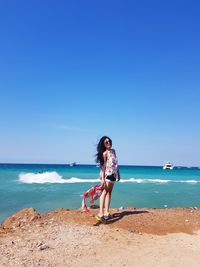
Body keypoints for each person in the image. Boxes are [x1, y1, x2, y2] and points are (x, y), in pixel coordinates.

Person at [95, 136, 121, 221]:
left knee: (109, 193)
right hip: (107, 175)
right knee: (105, 192)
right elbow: (103, 167)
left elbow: (116, 164)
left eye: (109, 141)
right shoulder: (105, 153)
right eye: (106, 142)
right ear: (104, 144)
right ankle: (101, 213)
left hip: (113, 175)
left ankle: (106, 212)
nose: (108, 143)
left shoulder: (113, 151)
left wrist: (118, 174)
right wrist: (102, 178)